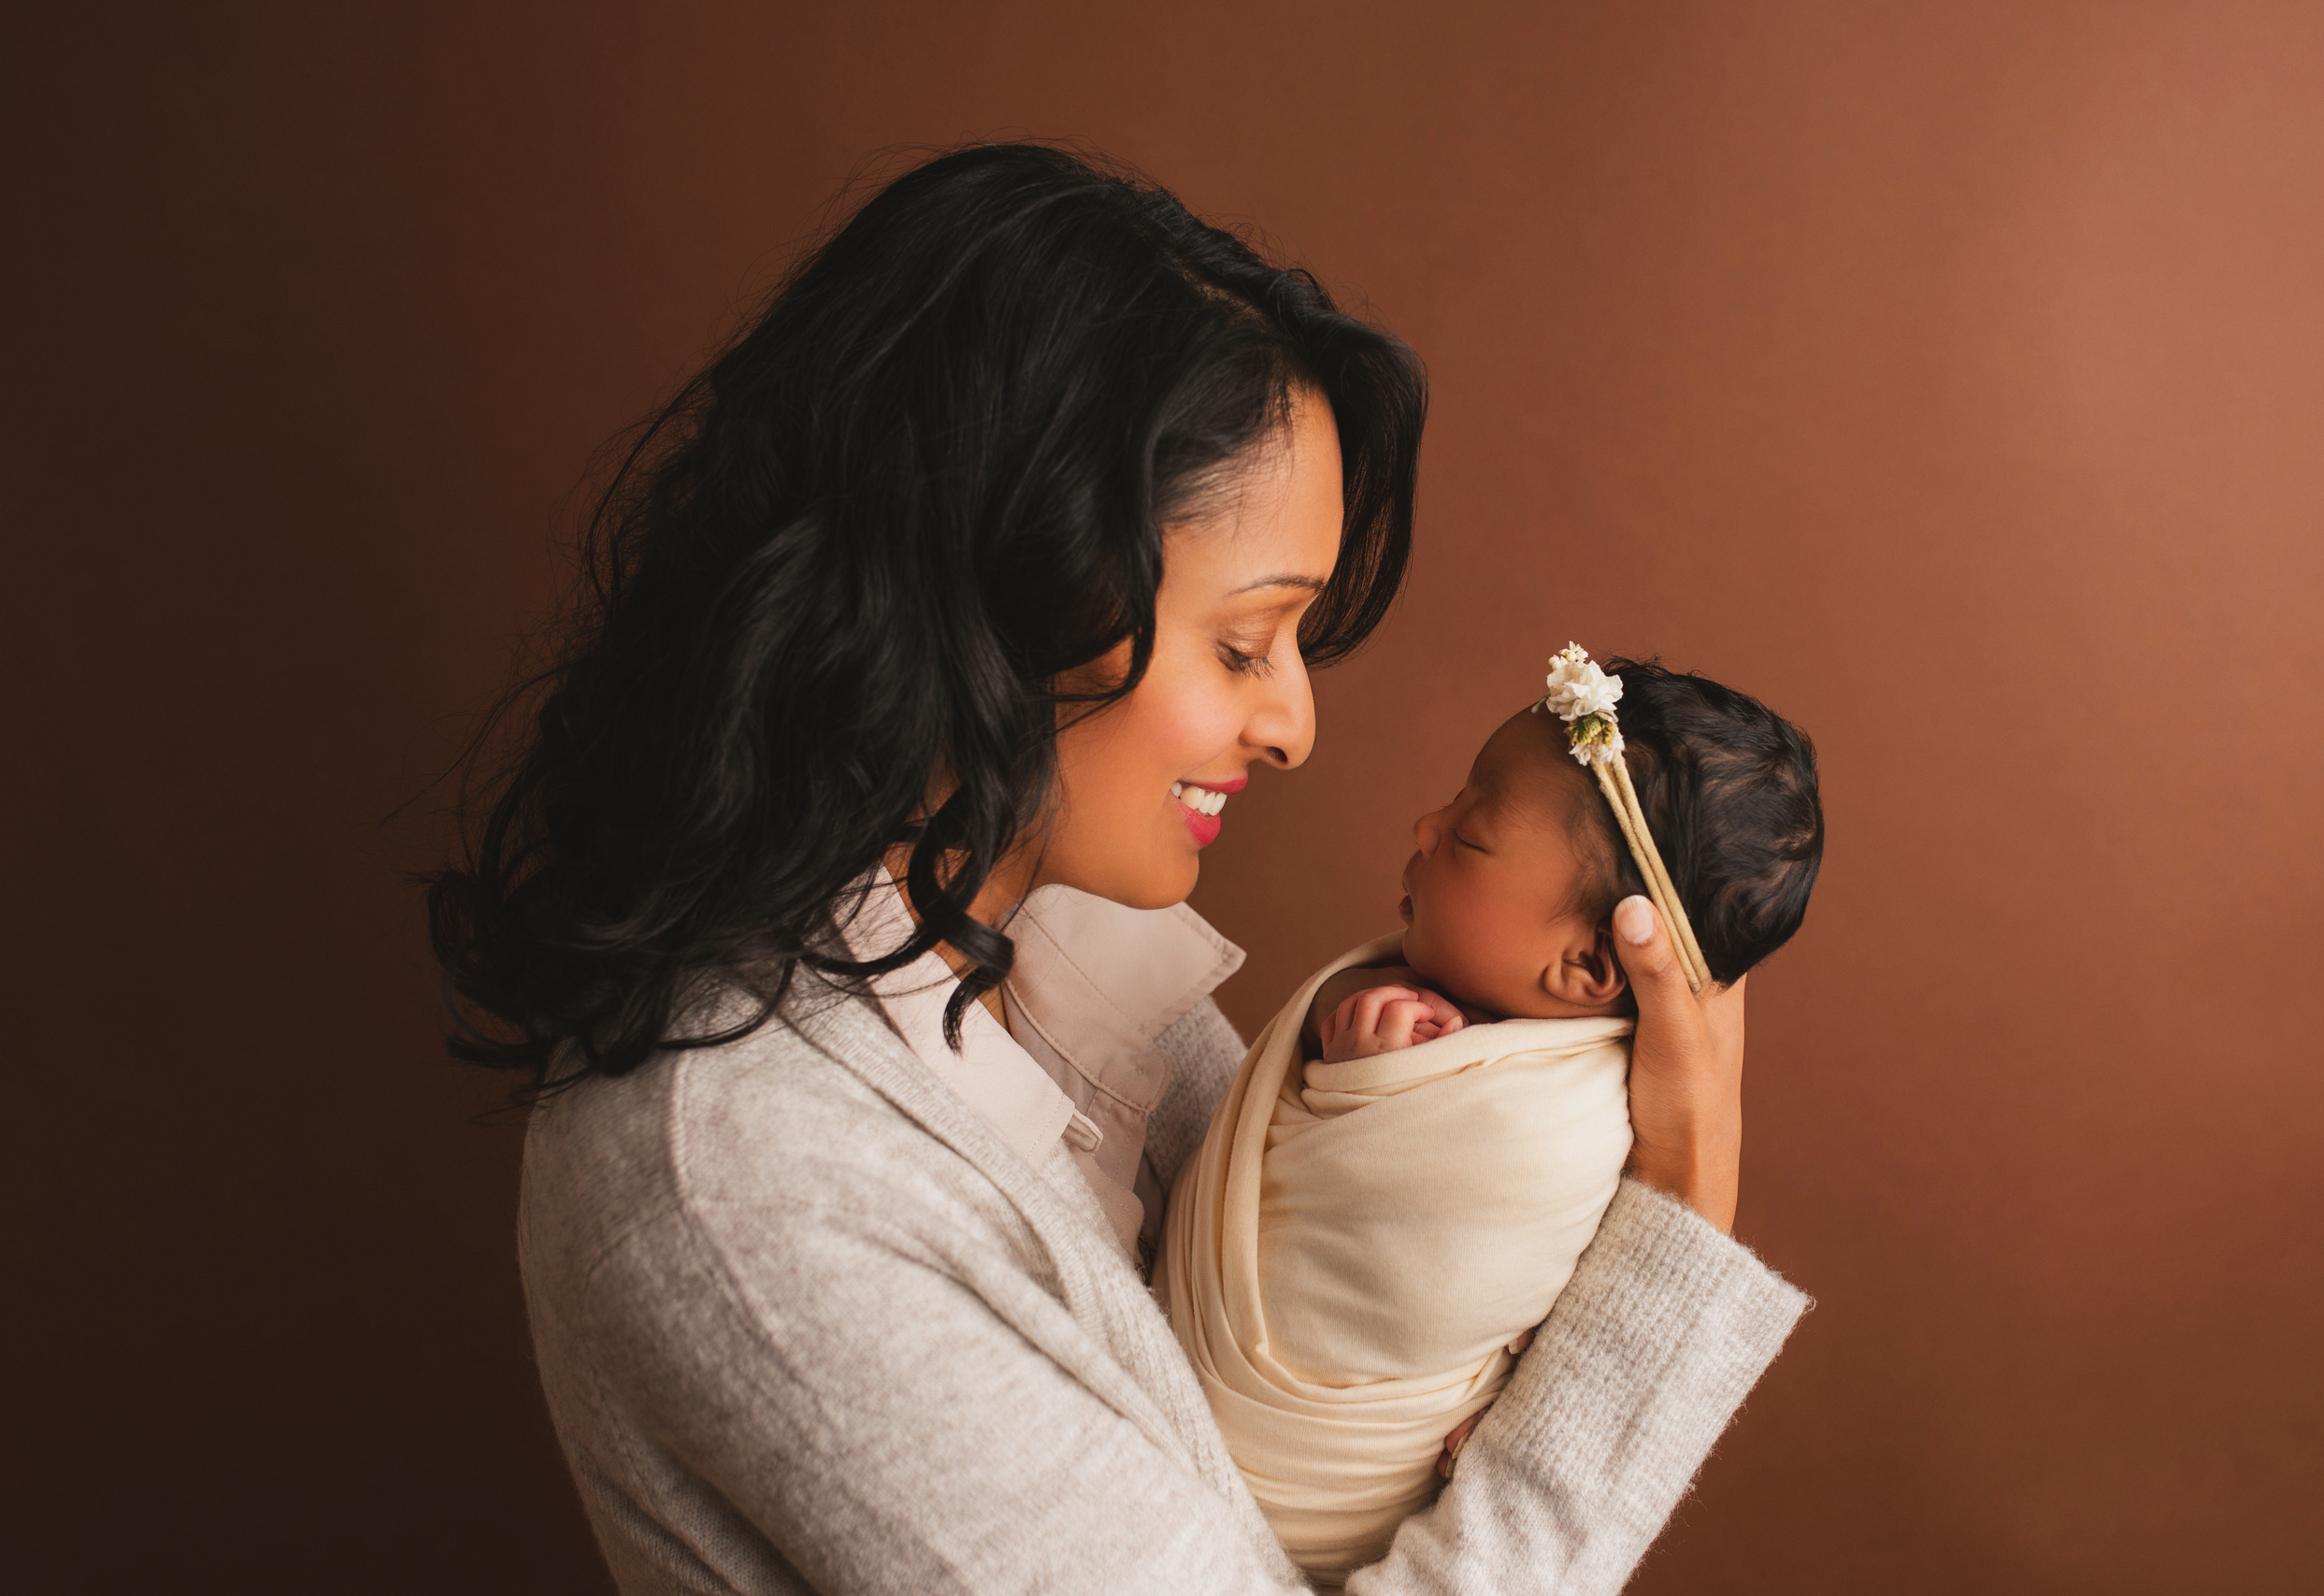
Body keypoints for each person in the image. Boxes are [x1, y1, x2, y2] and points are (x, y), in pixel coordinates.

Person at [428, 142, 1809, 1594]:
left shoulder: (1037, 959)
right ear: (1006, 584)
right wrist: (1679, 1221)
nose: (1294, 725)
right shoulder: (753, 1178)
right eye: (1241, 643)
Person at [1161, 654, 1824, 1585]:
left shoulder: (1547, 1124)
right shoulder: (1455, 1018)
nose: (1425, 826)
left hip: (1291, 1504)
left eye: (1468, 835)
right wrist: (1357, 1034)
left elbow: (1459, 1237)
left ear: (1592, 971)